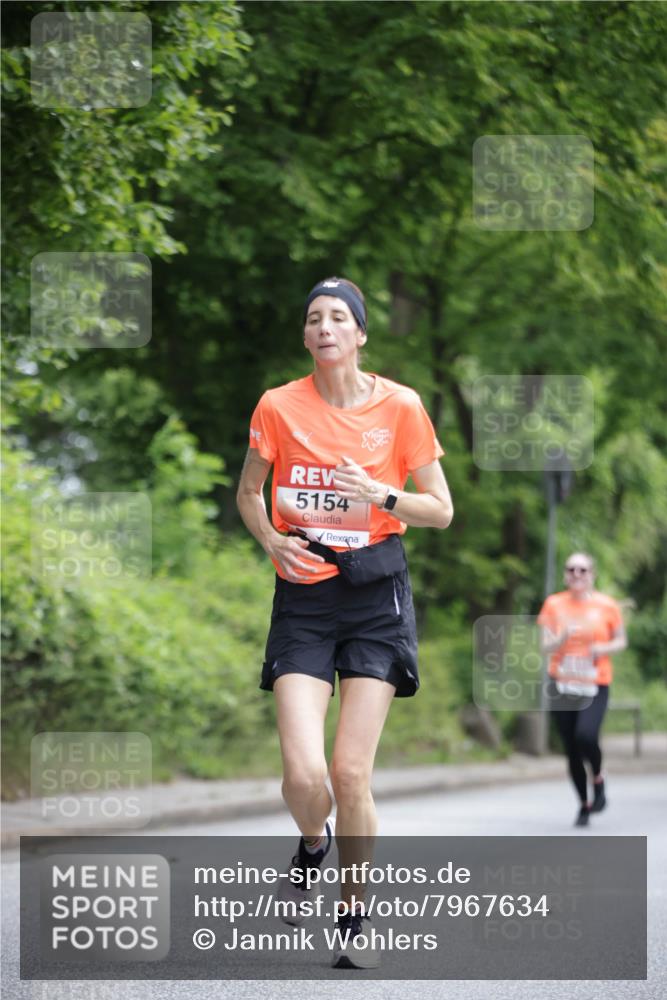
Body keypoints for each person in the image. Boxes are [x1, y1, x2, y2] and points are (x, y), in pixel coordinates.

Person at [236, 276, 453, 968]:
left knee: (348, 771)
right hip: (302, 593)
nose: (324, 326)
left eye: (338, 317)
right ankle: (310, 844)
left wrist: (381, 493)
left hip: (374, 595)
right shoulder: (277, 406)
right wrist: (271, 540)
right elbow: (247, 492)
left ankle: (353, 920)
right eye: (313, 318)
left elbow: (440, 509)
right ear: (305, 337)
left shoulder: (401, 406)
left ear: (359, 334)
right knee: (304, 775)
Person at [538, 552, 627, 828]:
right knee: (572, 748)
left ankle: (598, 776)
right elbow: (544, 645)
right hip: (562, 683)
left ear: (592, 575)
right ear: (565, 574)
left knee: (586, 735)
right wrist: (561, 638)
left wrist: (602, 648)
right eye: (571, 569)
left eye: (583, 570)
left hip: (595, 683)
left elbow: (621, 640)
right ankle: (584, 804)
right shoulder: (554, 604)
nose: (577, 574)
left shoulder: (607, 605)